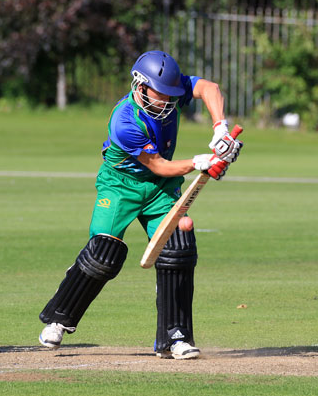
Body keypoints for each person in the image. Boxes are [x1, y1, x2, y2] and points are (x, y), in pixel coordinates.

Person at [38, 50, 242, 359]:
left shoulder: (171, 91)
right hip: (121, 184)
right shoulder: (125, 120)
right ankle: (59, 318)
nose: (169, 101)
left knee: (179, 242)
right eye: (161, 94)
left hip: (160, 188)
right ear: (141, 86)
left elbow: (209, 88)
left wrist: (220, 129)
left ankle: (175, 337)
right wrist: (200, 162)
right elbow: (158, 164)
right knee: (104, 253)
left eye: (172, 94)